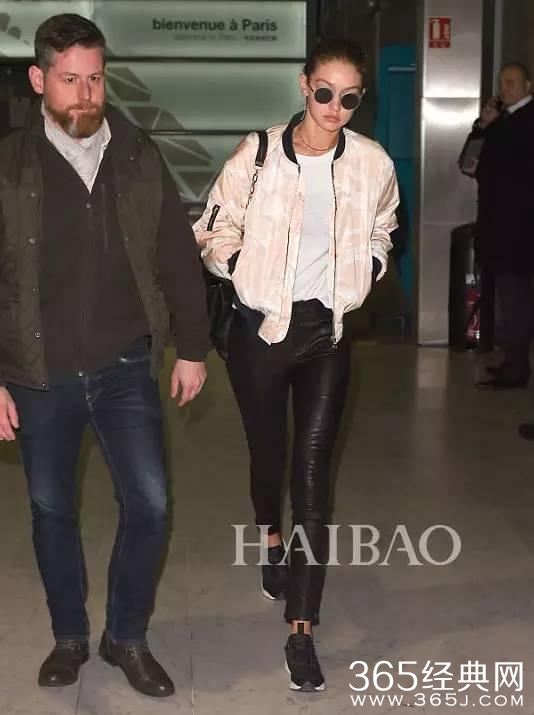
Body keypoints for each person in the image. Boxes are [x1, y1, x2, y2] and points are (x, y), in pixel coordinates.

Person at [0, 14, 210, 696]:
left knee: (150, 505)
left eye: (95, 79)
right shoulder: (9, 163)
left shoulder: (138, 153)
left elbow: (176, 255)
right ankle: (69, 636)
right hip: (37, 374)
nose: (85, 95)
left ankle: (125, 635)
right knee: (51, 510)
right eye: (70, 80)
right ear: (39, 80)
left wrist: (192, 347)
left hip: (123, 366)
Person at [194, 37, 399, 692]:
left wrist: (370, 266)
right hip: (260, 332)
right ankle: (269, 539)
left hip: (326, 334)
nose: (335, 107)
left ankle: (301, 627)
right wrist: (238, 267)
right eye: (325, 92)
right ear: (304, 85)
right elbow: (212, 227)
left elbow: (384, 225)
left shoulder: (371, 162)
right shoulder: (258, 154)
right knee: (269, 457)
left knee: (312, 475)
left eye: (350, 98)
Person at [463, 62, 534, 391]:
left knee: (515, 297)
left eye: (511, 82)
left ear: (528, 86)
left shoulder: (526, 121)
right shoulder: (501, 121)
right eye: (502, 83)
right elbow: (469, 163)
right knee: (508, 296)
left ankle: (517, 367)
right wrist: (482, 125)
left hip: (517, 227)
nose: (504, 88)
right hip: (498, 222)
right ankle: (512, 360)